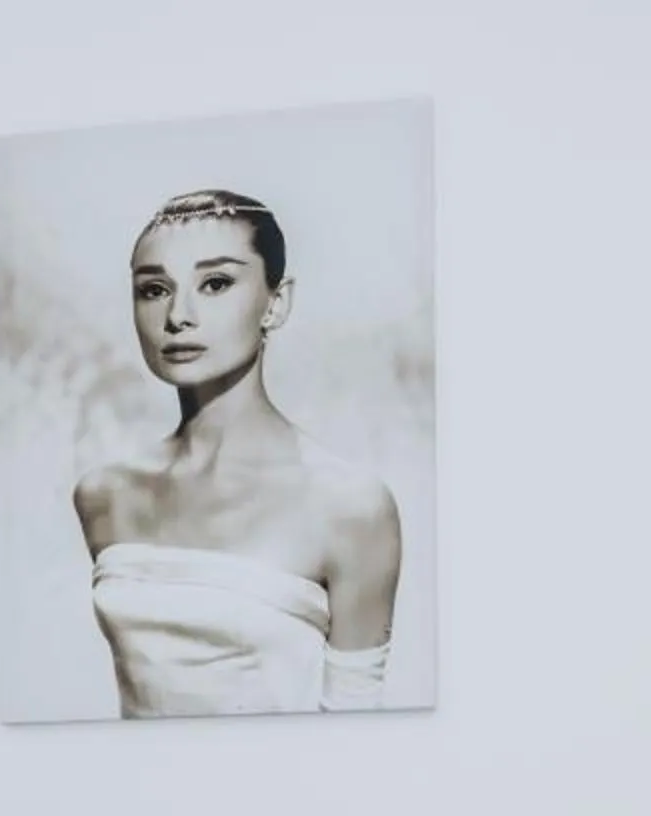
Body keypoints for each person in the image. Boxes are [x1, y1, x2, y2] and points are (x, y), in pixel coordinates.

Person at [72, 190, 403, 718]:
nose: (178, 316)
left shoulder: (349, 505)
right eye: (154, 289)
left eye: (216, 283)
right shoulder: (105, 494)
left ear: (276, 302)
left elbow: (357, 724)